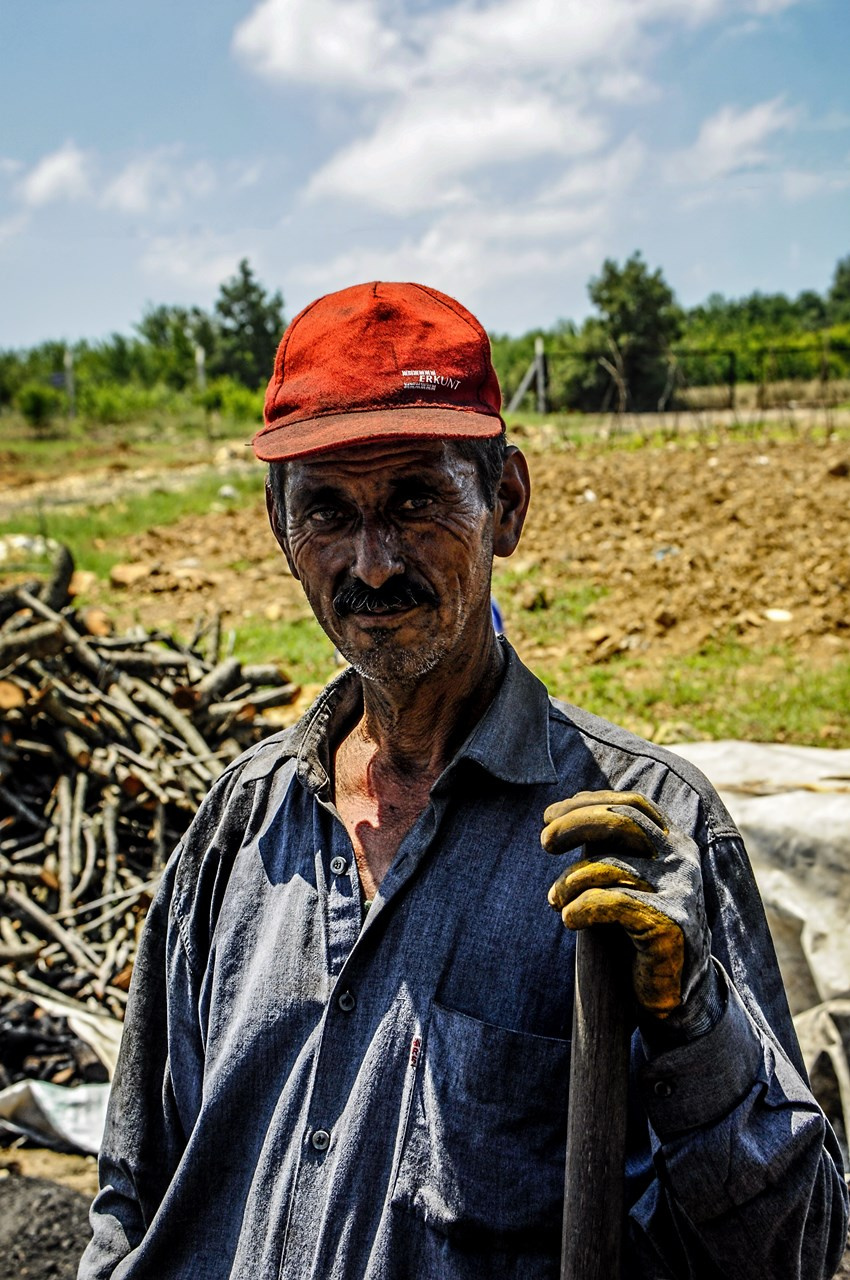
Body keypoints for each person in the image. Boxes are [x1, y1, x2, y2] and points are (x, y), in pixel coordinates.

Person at [79, 281, 848, 1280]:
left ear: (508, 504)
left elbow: (793, 1250)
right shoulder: (239, 825)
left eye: (415, 498)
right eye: (326, 509)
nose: (373, 559)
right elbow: (128, 1192)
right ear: (280, 534)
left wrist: (694, 1020)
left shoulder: (644, 833)